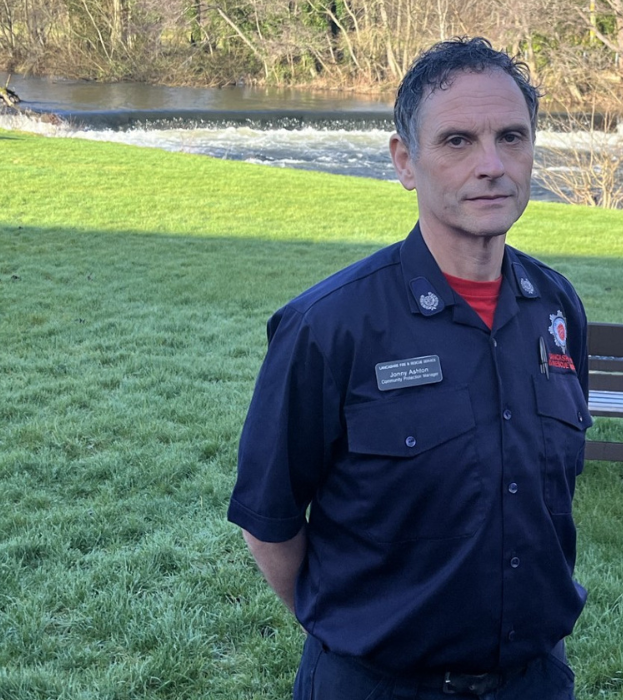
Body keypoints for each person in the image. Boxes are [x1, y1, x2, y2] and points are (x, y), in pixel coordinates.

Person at [227, 37, 591, 699]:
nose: (491, 165)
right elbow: (269, 519)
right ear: (405, 161)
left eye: (511, 137)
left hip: (533, 682)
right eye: (457, 141)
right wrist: (354, 630)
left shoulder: (555, 308)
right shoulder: (329, 326)